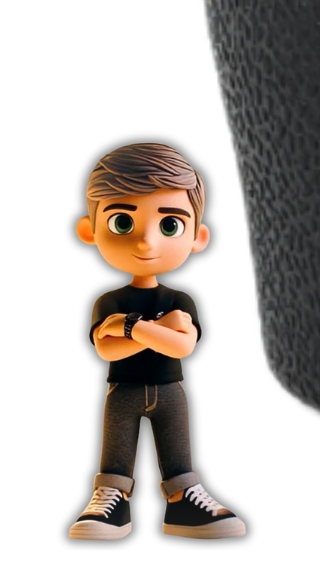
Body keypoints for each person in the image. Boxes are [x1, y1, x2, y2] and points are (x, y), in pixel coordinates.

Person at [68, 142, 246, 540]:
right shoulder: (109, 302)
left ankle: (184, 502)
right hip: (123, 390)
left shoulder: (179, 301)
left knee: (178, 454)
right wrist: (159, 329)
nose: (146, 242)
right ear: (89, 230)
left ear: (198, 236)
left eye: (169, 226)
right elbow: (106, 349)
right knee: (115, 455)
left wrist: (129, 327)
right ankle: (111, 502)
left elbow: (183, 347)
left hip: (171, 391)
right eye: (122, 223)